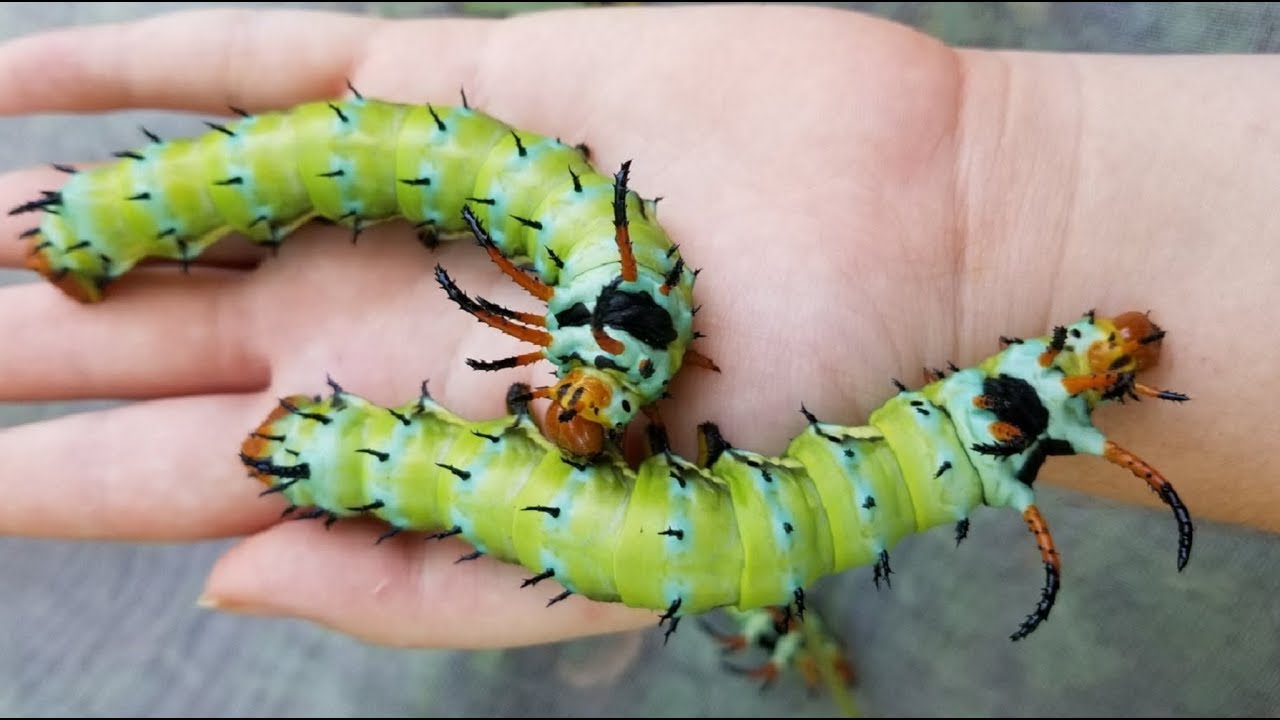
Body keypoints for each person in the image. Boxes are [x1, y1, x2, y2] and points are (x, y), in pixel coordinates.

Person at [0, 3, 1271, 651]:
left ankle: (109, 230)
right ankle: (106, 223)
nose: (569, 418)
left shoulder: (603, 300)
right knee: (356, 163)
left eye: (582, 386)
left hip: (770, 485)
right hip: (798, 456)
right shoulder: (577, 255)